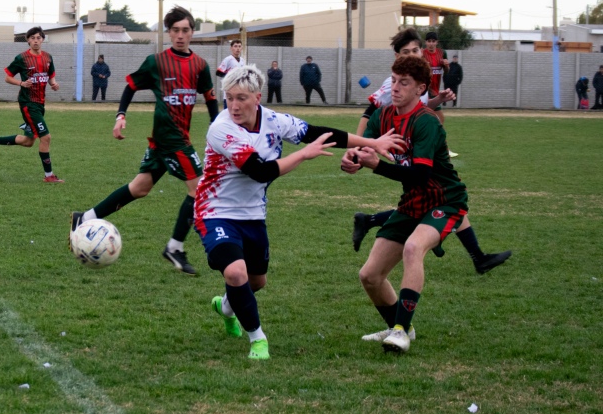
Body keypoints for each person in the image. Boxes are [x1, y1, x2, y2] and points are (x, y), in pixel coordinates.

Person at [197, 64, 405, 359]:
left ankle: (228, 307)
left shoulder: (273, 120)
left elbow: (319, 132)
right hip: (214, 212)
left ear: (258, 97)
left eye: (241, 98)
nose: (233, 105)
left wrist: (371, 142)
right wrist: (303, 155)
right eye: (228, 98)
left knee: (256, 282)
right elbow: (259, 171)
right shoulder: (222, 129)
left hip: (253, 215)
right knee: (235, 271)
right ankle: (258, 340)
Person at [70, 6, 219, 275]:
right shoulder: (157, 62)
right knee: (199, 190)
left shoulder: (199, 65)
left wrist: (216, 128)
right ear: (169, 33)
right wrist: (120, 115)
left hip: (171, 140)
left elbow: (210, 98)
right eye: (175, 30)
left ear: (192, 32)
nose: (180, 35)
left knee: (139, 188)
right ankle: (174, 247)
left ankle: (86, 217)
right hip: (171, 139)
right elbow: (131, 86)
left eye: (185, 30)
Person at [341, 55, 474, 353]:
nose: (396, 88)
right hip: (412, 202)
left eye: (405, 83)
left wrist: (375, 165)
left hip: (445, 200)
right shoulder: (383, 115)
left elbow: (420, 174)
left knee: (414, 248)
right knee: (370, 276)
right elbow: (363, 148)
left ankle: (400, 330)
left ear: (420, 89)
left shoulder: (426, 121)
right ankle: (400, 328)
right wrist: (351, 160)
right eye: (394, 81)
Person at [352, 29, 510, 275]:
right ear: (396, 57)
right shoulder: (394, 83)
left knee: (443, 197)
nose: (414, 55)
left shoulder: (417, 82)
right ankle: (475, 256)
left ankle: (477, 256)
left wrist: (437, 101)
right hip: (402, 147)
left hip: (417, 148)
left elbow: (419, 108)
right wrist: (359, 146)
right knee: (437, 198)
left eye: (416, 50)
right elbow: (369, 113)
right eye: (407, 52)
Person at [0, 26, 64, 183]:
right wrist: (21, 83)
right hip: (28, 103)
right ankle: (49, 176)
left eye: (38, 38)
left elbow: (50, 75)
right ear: (28, 40)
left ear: (42, 40)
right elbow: (8, 77)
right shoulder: (22, 58)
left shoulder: (48, 57)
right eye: (32, 38)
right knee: (45, 137)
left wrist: (53, 84)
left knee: (28, 142)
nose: (35, 41)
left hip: (40, 103)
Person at [422, 32, 456, 156]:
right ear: (425, 42)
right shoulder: (421, 53)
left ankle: (435, 147)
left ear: (437, 42)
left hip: (436, 91)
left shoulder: (442, 53)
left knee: (432, 120)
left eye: (433, 41)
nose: (431, 43)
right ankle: (444, 150)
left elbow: (446, 72)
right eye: (429, 41)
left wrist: (446, 66)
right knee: (439, 119)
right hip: (425, 91)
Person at [216, 39, 246, 109]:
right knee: (228, 114)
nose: (237, 48)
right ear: (231, 48)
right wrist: (230, 78)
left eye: (239, 46)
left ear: (241, 48)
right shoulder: (228, 59)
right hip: (229, 91)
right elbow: (218, 72)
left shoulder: (242, 60)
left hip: (239, 91)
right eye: (235, 46)